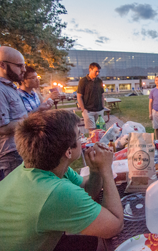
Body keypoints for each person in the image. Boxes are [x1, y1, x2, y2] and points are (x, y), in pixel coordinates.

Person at [0, 110, 124, 250]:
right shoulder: (55, 192)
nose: (83, 139)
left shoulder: (43, 167)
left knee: (92, 241)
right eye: (79, 136)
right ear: (68, 151)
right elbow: (115, 225)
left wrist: (95, 170)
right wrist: (106, 170)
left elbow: (88, 190)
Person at [0, 46, 28, 181]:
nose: (24, 69)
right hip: (10, 155)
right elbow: (2, 128)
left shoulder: (10, 87)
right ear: (2, 65)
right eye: (19, 65)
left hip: (19, 149)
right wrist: (31, 122)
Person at [77, 62, 105, 132]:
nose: (97, 73)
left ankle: (99, 143)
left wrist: (103, 107)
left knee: (100, 130)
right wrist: (84, 110)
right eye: (96, 71)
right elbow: (79, 96)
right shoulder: (83, 81)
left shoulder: (99, 81)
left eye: (98, 71)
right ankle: (93, 143)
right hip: (88, 111)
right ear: (90, 70)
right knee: (92, 132)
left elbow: (102, 94)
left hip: (99, 110)